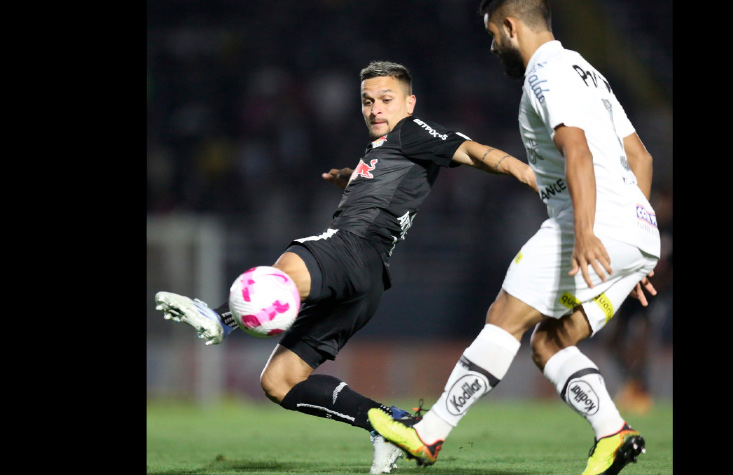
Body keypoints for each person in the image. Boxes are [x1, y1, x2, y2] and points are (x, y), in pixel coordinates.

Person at [154, 60, 536, 475]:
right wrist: (350, 177)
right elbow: (390, 183)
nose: (376, 110)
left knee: (291, 261)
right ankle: (387, 422)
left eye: (386, 100)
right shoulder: (387, 147)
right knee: (279, 381)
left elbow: (474, 151)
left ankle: (219, 318)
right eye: (368, 101)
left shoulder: (413, 130)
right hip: (366, 283)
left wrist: (527, 172)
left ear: (409, 103)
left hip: (353, 248)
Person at [368, 2, 661, 475]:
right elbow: (641, 158)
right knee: (550, 343)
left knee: (504, 316)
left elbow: (577, 151)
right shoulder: (587, 71)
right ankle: (613, 433)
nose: (491, 46)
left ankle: (428, 434)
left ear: (509, 26)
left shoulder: (546, 73)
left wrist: (586, 232)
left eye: (492, 34)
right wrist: (637, 245)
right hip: (638, 231)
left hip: (594, 220)